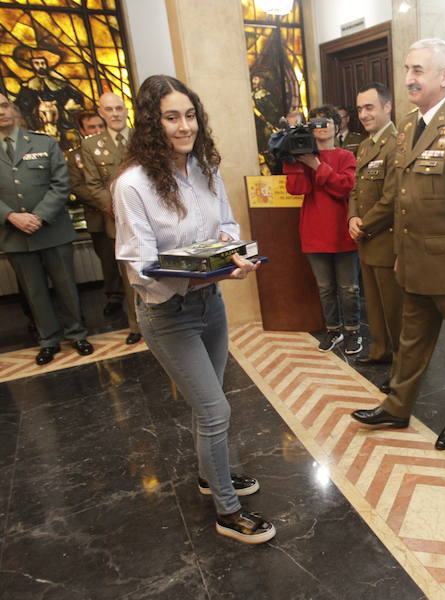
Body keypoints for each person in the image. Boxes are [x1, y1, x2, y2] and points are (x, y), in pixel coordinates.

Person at [113, 74, 274, 544]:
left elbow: (225, 221)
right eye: (171, 117)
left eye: (190, 116)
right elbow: (141, 266)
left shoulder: (203, 169)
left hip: (211, 303)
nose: (185, 127)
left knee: (211, 404)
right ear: (150, 123)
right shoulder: (133, 185)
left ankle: (211, 475)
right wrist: (202, 270)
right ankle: (227, 510)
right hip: (168, 314)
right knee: (214, 409)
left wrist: (230, 252)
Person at [350, 38, 445, 452]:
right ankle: (397, 406)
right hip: (412, 264)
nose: (409, 78)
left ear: (444, 78)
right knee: (411, 341)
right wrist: (399, 256)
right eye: (408, 69)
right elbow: (402, 201)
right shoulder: (409, 127)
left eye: (418, 71)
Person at [0, 92, 93, 365]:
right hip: (15, 234)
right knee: (34, 290)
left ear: (13, 109)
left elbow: (61, 184)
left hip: (52, 230)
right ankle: (48, 340)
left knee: (66, 285)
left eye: (4, 105)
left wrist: (39, 216)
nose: (1, 112)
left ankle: (77, 334)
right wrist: (11, 217)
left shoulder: (43, 143)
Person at [283, 105, 362, 354]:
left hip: (343, 230)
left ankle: (353, 332)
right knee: (326, 288)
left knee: (349, 289)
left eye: (326, 122)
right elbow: (296, 189)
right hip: (314, 230)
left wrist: (316, 164)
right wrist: (293, 159)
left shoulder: (346, 156)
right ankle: (333, 330)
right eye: (315, 123)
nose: (321, 127)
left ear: (336, 127)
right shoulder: (302, 156)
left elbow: (345, 187)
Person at [348, 82, 402, 388]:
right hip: (366, 239)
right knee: (375, 306)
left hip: (386, 241)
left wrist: (364, 223)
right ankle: (380, 350)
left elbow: (393, 197)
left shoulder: (397, 144)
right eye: (359, 109)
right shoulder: (366, 146)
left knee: (395, 310)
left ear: (387, 106)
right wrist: (352, 216)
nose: (364, 114)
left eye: (370, 107)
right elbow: (356, 189)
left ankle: (402, 367)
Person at [82, 93, 141, 344]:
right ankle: (136, 326)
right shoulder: (91, 145)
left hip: (148, 217)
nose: (115, 113)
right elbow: (93, 185)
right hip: (116, 222)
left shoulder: (142, 140)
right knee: (129, 277)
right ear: (101, 113)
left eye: (119, 108)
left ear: (126, 110)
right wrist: (117, 208)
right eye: (110, 109)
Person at [65, 111, 123, 320]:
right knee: (108, 262)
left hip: (122, 214)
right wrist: (105, 202)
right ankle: (114, 297)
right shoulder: (76, 156)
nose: (97, 130)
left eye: (100, 126)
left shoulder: (119, 146)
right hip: (99, 216)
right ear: (82, 130)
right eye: (92, 127)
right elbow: (78, 187)